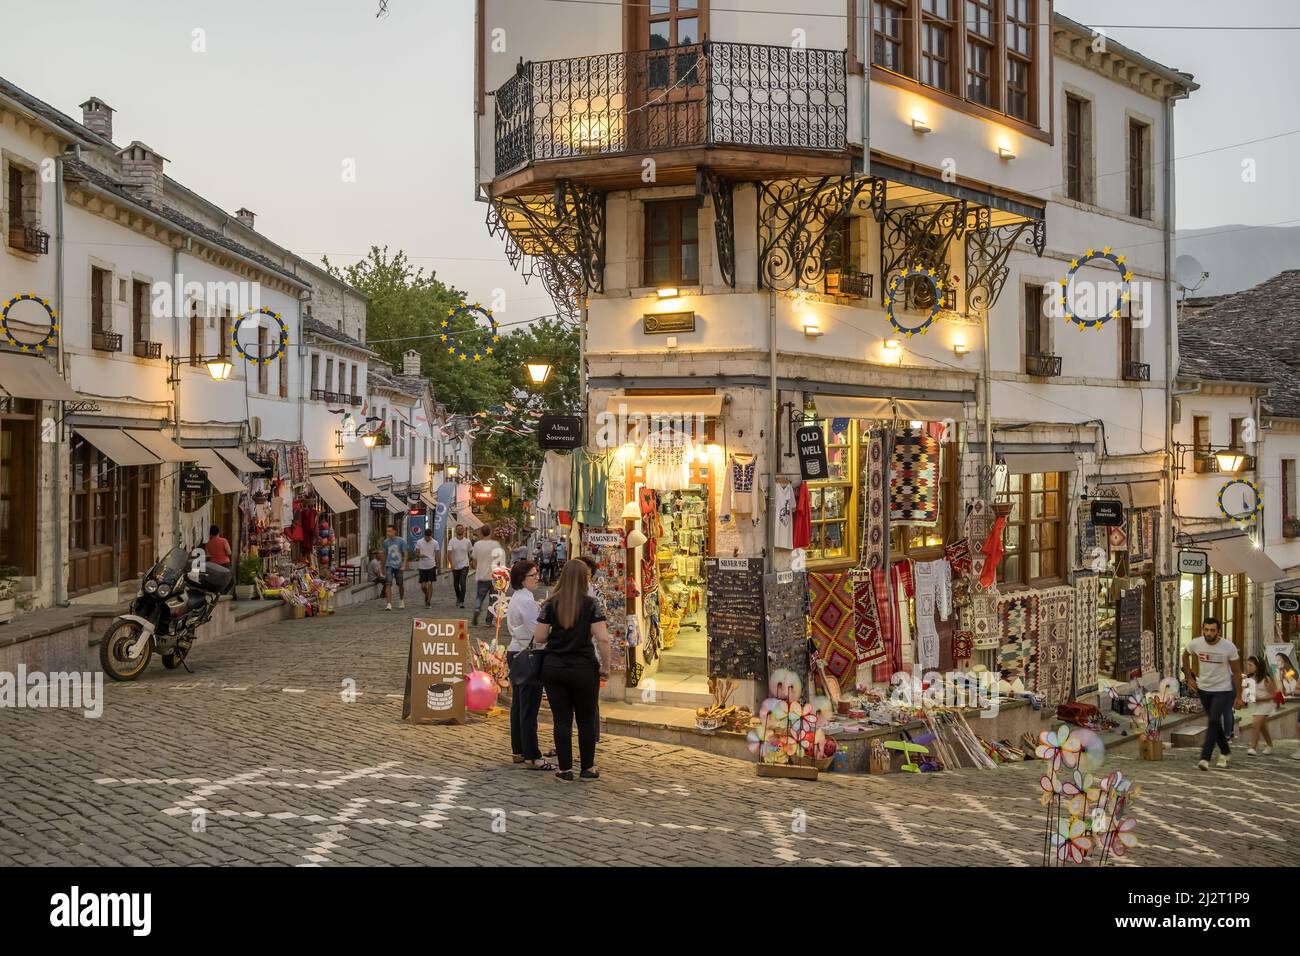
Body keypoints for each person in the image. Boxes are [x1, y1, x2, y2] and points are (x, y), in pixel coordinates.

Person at [533, 559, 611, 781]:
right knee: (586, 719)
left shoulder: (550, 603)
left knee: (562, 720)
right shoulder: (591, 604)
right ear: (583, 579)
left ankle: (565, 769)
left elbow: (539, 637)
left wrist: (556, 637)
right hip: (584, 668)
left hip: (554, 668)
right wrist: (605, 667)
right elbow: (603, 639)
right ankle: (587, 768)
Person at [506, 560, 553, 770]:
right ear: (522, 579)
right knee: (528, 707)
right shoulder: (524, 601)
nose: (537, 578)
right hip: (527, 654)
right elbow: (539, 633)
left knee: (519, 706)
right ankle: (532, 755)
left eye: (536, 574)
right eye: (533, 575)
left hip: (517, 651)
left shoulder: (521, 598)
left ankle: (519, 750)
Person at [1182, 617, 1242, 770]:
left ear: (1218, 631)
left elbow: (1236, 672)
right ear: (1203, 629)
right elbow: (1185, 655)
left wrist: (1239, 696)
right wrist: (1189, 677)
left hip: (1223, 690)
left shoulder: (1229, 647)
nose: (1209, 633)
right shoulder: (1196, 643)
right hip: (1204, 689)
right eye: (1206, 630)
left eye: (1212, 630)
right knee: (1215, 722)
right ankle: (1225, 751)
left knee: (1213, 720)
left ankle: (1205, 758)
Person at [1242, 656, 1277, 756]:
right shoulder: (1249, 678)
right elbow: (1247, 693)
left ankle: (1253, 748)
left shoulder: (1266, 679)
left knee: (1255, 724)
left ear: (1258, 666)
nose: (1248, 667)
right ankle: (1269, 745)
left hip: (1265, 705)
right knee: (1263, 727)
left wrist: (1259, 699)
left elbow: (1273, 695)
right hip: (1255, 705)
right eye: (1247, 664)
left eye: (1250, 665)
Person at [470, 526, 506, 626]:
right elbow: (500, 561)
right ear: (490, 532)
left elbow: (474, 561)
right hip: (494, 576)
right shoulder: (496, 544)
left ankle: (477, 609)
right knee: (493, 599)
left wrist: (478, 568)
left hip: (481, 575)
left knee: (479, 597)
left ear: (481, 533)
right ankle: (488, 621)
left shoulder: (477, 544)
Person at [382, 525, 408, 611]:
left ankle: (401, 600)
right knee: (388, 583)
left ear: (394, 531)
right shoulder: (386, 542)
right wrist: (382, 567)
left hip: (399, 565)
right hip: (389, 565)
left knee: (400, 584)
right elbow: (384, 554)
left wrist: (404, 564)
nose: (388, 533)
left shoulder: (401, 541)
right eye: (387, 531)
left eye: (389, 531)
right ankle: (389, 604)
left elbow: (405, 553)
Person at [414, 528, 441, 609]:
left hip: (431, 565)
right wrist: (420, 555)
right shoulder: (419, 542)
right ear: (424, 535)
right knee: (423, 586)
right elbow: (416, 553)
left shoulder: (435, 543)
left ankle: (428, 602)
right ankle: (427, 595)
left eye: (428, 537)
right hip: (422, 566)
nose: (427, 539)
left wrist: (439, 567)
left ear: (431, 536)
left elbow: (437, 555)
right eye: (426, 537)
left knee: (429, 583)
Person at [447, 524, 471, 608]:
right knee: (456, 584)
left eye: (461, 529)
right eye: (458, 529)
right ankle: (458, 597)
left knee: (463, 583)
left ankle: (461, 601)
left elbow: (470, 552)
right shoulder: (452, 541)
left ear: (463, 530)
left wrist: (471, 562)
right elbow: (449, 553)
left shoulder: (467, 541)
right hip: (455, 565)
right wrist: (451, 563)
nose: (460, 530)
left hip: (465, 565)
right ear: (456, 531)